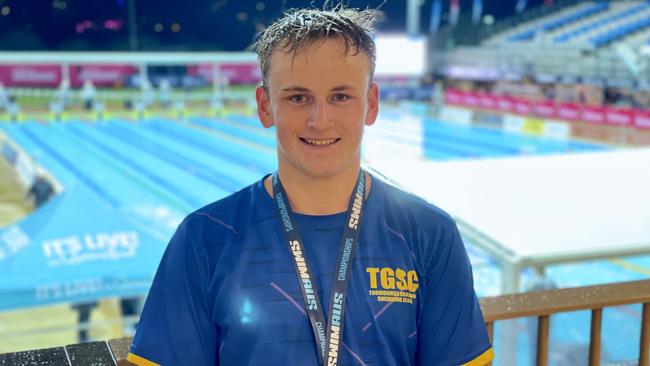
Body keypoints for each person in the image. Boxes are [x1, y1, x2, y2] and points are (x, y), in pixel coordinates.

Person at [128, 7, 493, 366]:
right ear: (265, 106)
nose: (320, 120)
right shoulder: (204, 238)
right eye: (298, 97)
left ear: (371, 104)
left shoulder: (429, 234)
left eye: (340, 96)